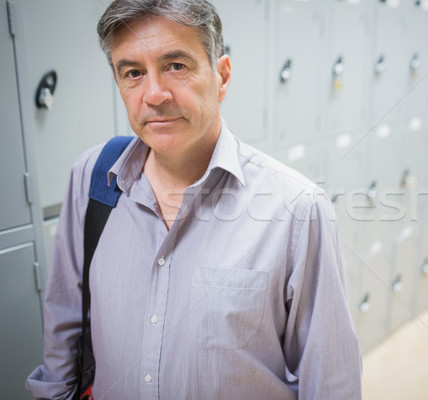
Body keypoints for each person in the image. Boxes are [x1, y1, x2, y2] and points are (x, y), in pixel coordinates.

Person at [26, 0, 362, 399]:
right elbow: (65, 326)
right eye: (133, 72)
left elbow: (331, 382)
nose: (154, 94)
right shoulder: (92, 178)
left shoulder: (297, 209)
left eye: (176, 65)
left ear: (221, 76)